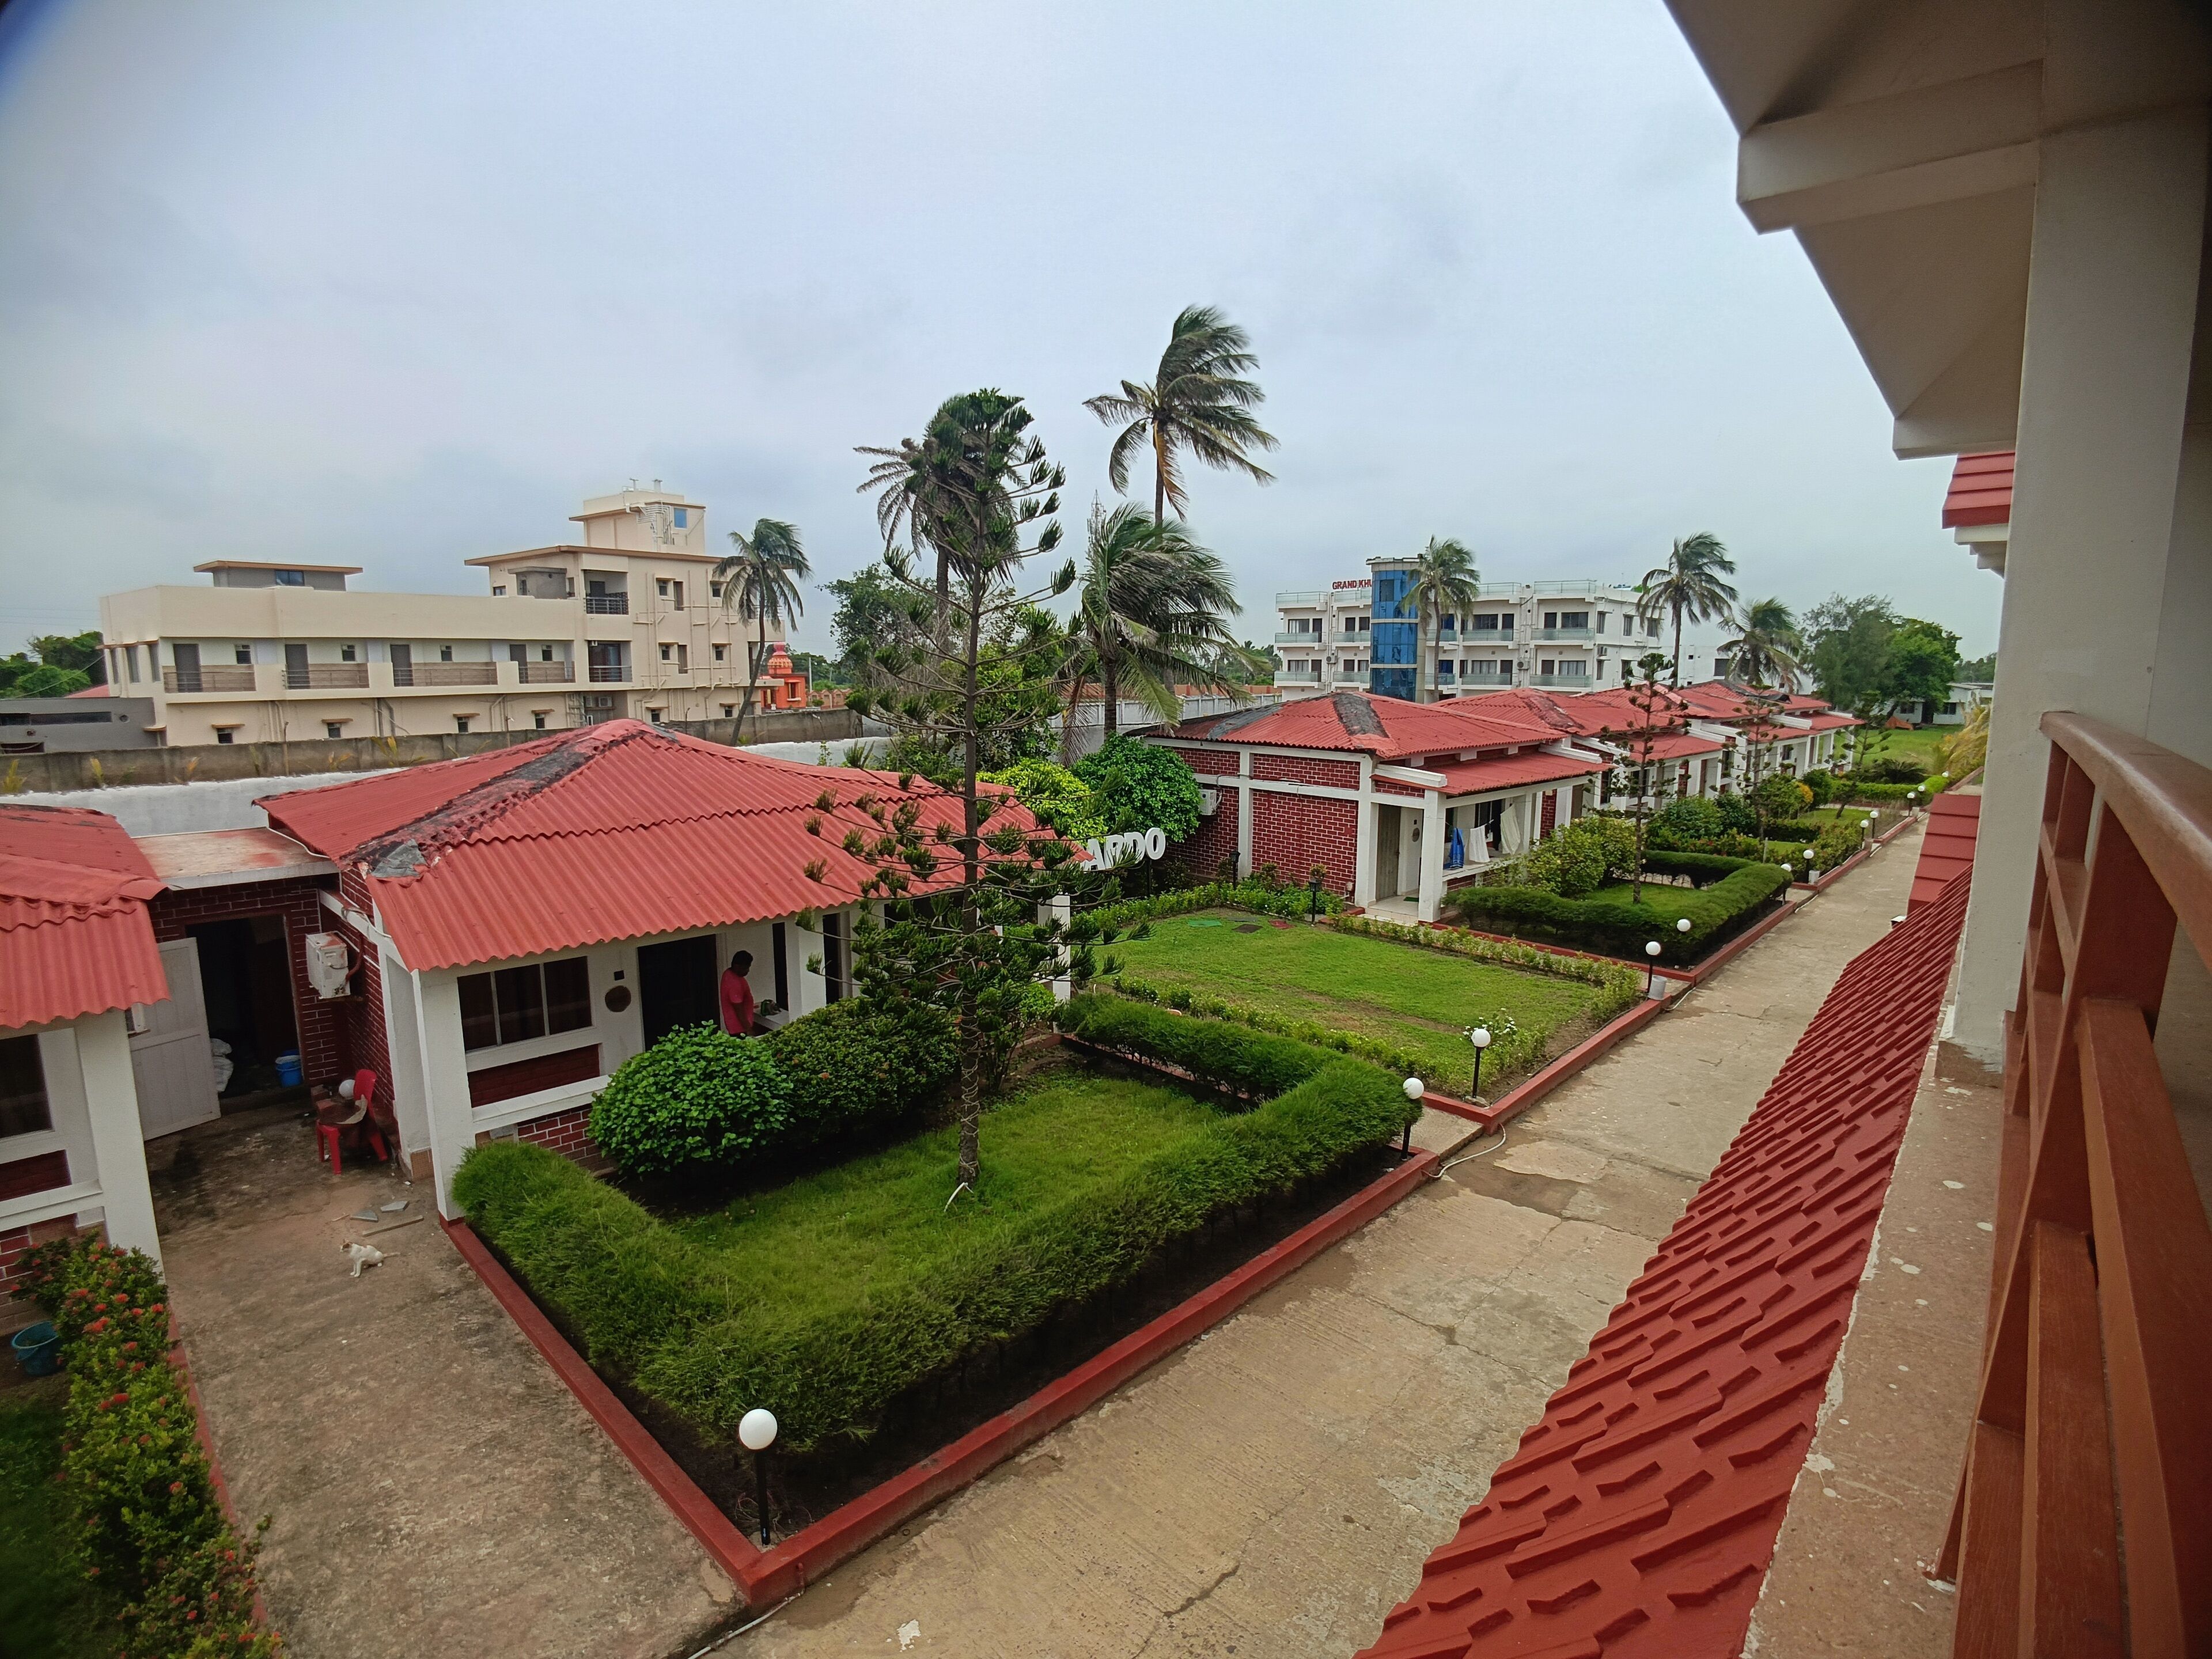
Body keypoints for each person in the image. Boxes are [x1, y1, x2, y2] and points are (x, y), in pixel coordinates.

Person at [719, 950, 758, 1037]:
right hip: (740, 1029)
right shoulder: (734, 983)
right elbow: (738, 1009)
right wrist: (749, 1030)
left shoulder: (728, 973)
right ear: (737, 966)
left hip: (735, 1026)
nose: (748, 971)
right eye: (745, 968)